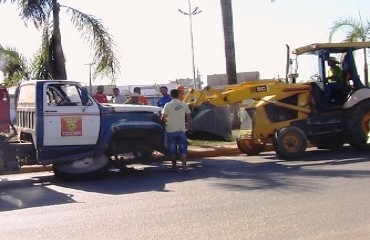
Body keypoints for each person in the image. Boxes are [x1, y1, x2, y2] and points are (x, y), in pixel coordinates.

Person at [161, 89, 192, 172]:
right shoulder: (184, 104)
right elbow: (189, 117)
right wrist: (189, 127)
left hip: (170, 130)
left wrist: (165, 122)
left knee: (172, 150)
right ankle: (184, 167)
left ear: (171, 95)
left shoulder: (167, 105)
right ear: (178, 94)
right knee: (183, 149)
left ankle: (174, 167)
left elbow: (163, 118)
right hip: (182, 130)